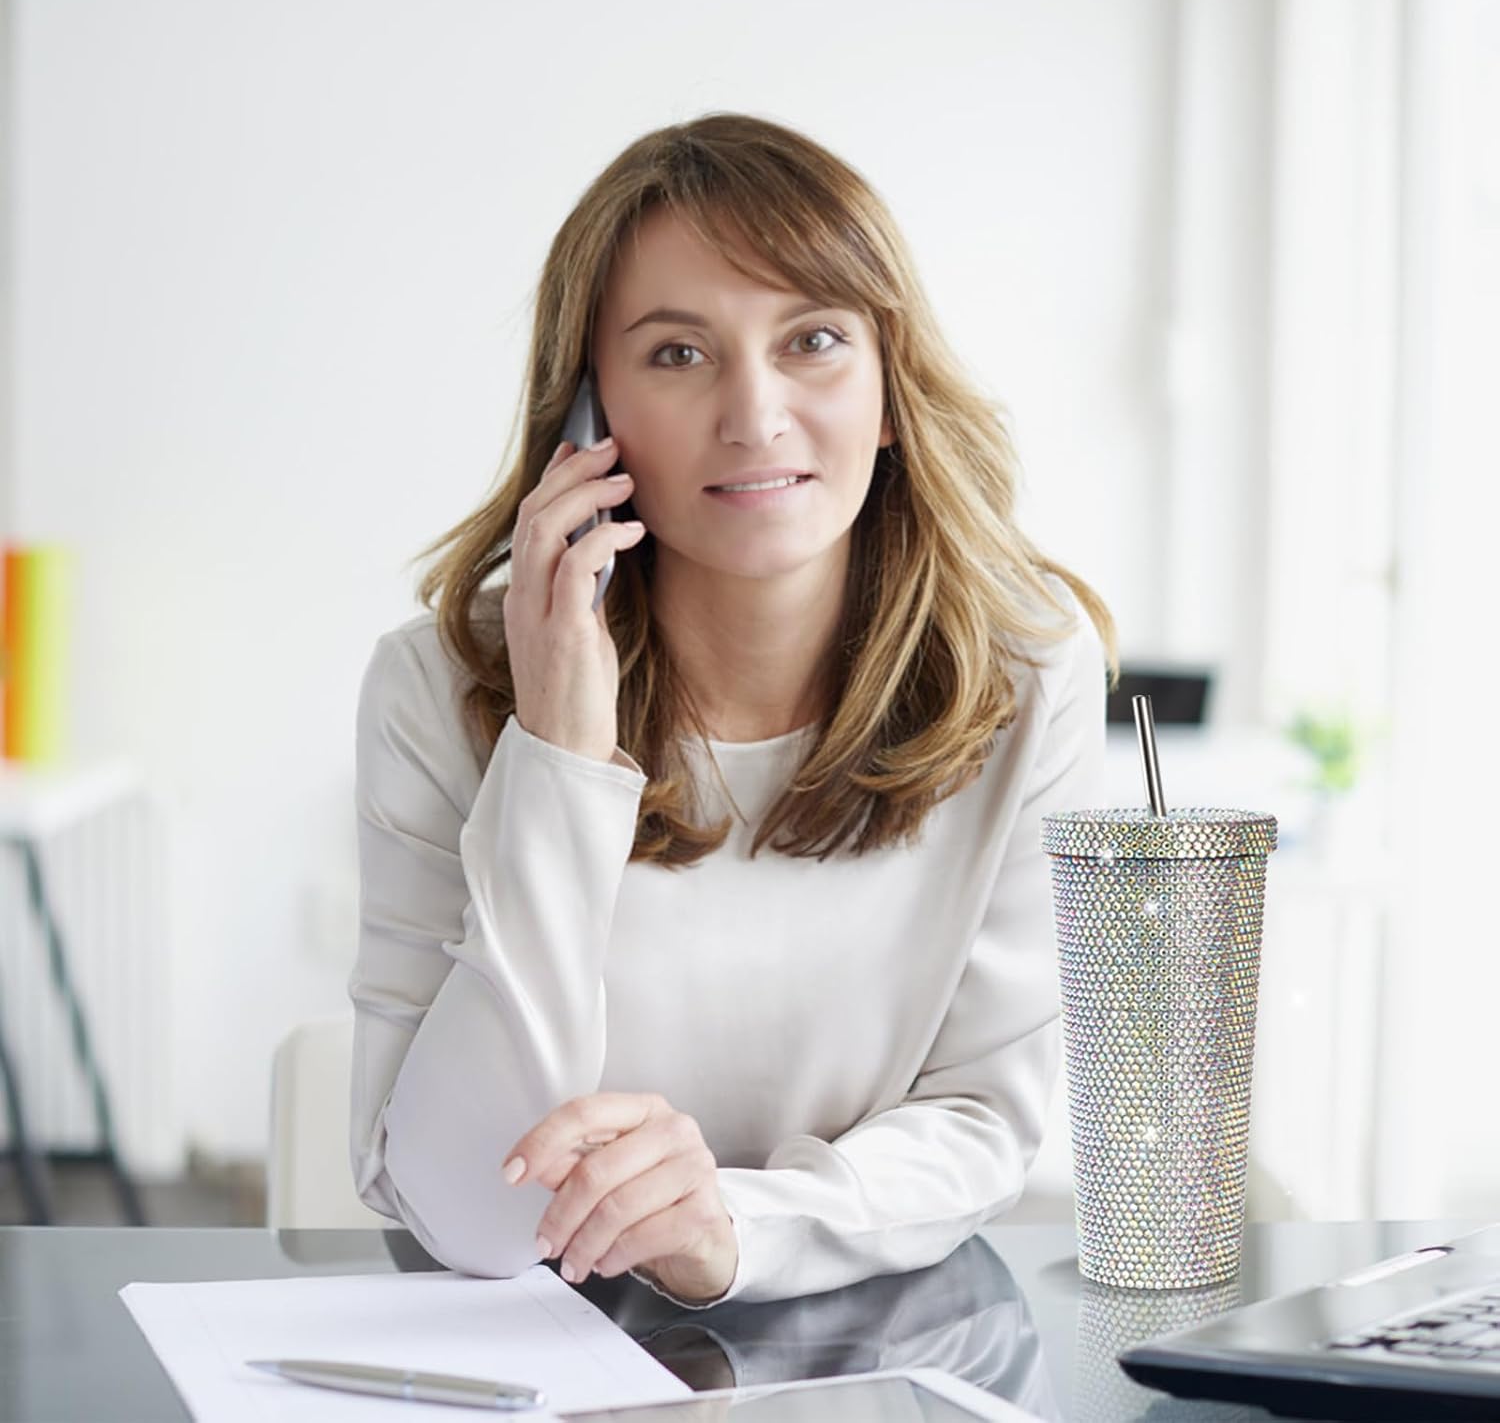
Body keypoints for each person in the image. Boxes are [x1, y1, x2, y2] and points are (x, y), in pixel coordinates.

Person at [349, 111, 1118, 1309]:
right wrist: (558, 751)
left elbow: (981, 1119)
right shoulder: (438, 689)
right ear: (586, 416)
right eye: (677, 354)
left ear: (889, 386)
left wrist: (735, 1227)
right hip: (535, 1356)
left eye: (812, 339)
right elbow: (463, 1207)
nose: (754, 416)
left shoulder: (1025, 674)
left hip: (880, 1348)